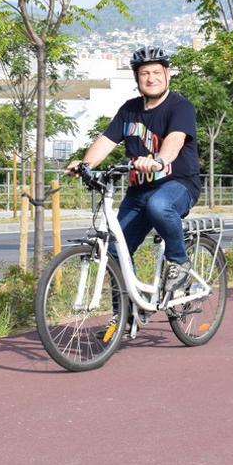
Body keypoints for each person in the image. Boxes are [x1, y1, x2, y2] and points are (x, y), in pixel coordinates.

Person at [66, 45, 200, 293]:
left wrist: (159, 160)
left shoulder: (180, 107)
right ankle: (126, 318)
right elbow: (106, 141)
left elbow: (175, 140)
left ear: (167, 74)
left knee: (159, 205)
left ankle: (179, 262)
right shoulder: (129, 110)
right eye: (144, 74)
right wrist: (85, 165)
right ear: (137, 78)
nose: (151, 78)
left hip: (178, 183)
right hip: (139, 190)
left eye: (156, 72)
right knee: (115, 251)